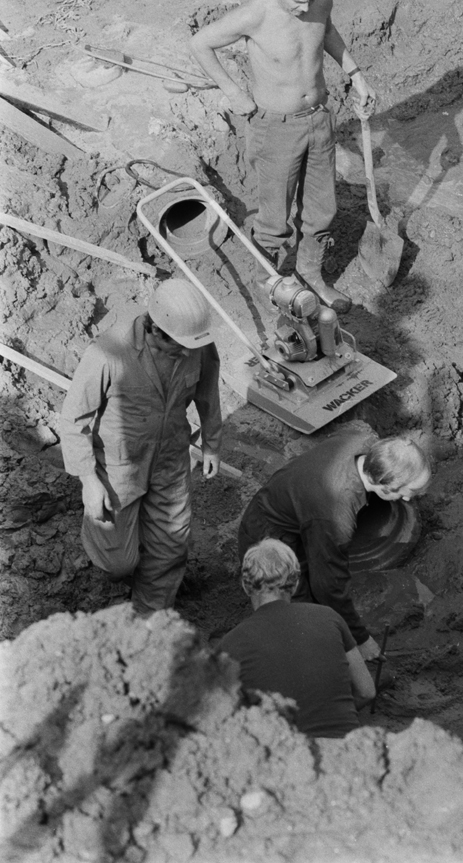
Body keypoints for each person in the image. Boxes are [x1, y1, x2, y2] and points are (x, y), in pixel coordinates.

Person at [189, 0, 377, 314]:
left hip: (319, 120)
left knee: (322, 210)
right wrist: (234, 92)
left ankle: (310, 277)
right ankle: (269, 284)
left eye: (309, 1)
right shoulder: (257, 13)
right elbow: (200, 43)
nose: (304, 10)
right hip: (275, 127)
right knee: (274, 218)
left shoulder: (320, 0)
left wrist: (356, 76)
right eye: (296, 2)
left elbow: (327, 32)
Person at [60, 278, 224, 616]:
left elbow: (209, 392)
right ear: (154, 331)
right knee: (118, 563)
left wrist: (211, 443)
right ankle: (118, 543)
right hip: (119, 469)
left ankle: (151, 618)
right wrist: (89, 482)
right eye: (177, 346)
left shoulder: (195, 343)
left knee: (171, 547)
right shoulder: (108, 353)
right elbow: (74, 420)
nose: (186, 353)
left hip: (170, 461)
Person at [238, 430, 431, 660]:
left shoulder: (362, 440)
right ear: (386, 486)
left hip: (297, 506)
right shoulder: (336, 512)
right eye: (409, 492)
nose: (409, 500)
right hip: (269, 537)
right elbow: (329, 587)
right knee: (300, 619)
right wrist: (360, 639)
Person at [218, 539, 376, 739]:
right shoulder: (330, 617)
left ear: (245, 586)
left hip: (288, 758)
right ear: (295, 583)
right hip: (345, 753)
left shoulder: (230, 644)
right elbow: (367, 691)